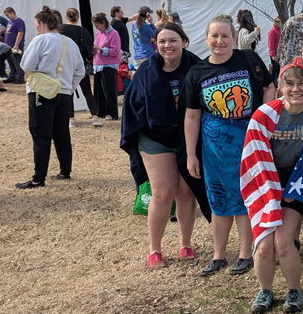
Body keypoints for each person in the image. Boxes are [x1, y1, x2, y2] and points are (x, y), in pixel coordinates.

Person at [185, 15, 275, 277]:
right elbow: (192, 115)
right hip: (214, 148)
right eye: (214, 36)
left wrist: (263, 120)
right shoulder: (197, 72)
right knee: (218, 198)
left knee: (246, 195)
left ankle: (246, 253)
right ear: (206, 39)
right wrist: (191, 154)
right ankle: (218, 255)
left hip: (249, 142)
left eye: (225, 36)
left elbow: (269, 87)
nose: (220, 41)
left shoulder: (248, 60)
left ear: (234, 38)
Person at [241, 59, 303, 314]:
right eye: (289, 83)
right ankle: (265, 290)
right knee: (264, 243)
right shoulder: (264, 115)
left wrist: (293, 194)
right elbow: (254, 159)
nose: (296, 89)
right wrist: (270, 193)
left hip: (298, 185)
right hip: (265, 183)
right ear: (280, 86)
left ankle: (294, 289)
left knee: (283, 241)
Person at [120, 21, 211, 268]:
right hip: (154, 137)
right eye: (162, 41)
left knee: (186, 191)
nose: (167, 45)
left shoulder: (198, 68)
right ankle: (155, 249)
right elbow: (133, 107)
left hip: (188, 137)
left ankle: (186, 244)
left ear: (183, 41)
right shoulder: (146, 72)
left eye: (172, 40)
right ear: (155, 44)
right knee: (162, 192)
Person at [16, 8, 85, 188]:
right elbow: (80, 71)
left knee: (40, 134)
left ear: (42, 23)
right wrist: (69, 87)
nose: (36, 29)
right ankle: (65, 171)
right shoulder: (70, 42)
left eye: (36, 25)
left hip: (41, 91)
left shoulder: (41, 40)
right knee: (61, 133)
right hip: (63, 93)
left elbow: (27, 64)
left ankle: (38, 178)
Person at [60, 8, 97, 122]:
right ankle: (95, 116)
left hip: (65, 64)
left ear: (66, 17)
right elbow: (89, 49)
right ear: (78, 17)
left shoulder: (61, 30)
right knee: (87, 92)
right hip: (80, 64)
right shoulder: (82, 31)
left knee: (68, 91)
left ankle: (71, 118)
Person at [90, 14, 122, 124]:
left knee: (109, 91)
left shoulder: (114, 34)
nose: (96, 28)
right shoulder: (98, 33)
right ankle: (100, 111)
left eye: (97, 25)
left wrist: (99, 48)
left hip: (109, 65)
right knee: (98, 91)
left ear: (103, 23)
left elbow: (116, 51)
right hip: (98, 65)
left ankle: (111, 113)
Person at [1, 7, 26, 83]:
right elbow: (10, 30)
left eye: (7, 15)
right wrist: (3, 30)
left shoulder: (19, 21)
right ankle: (12, 76)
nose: (7, 17)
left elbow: (20, 33)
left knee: (17, 62)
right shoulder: (10, 21)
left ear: (12, 13)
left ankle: (20, 78)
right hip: (8, 46)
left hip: (16, 46)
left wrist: (16, 45)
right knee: (11, 62)